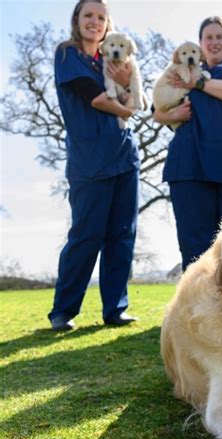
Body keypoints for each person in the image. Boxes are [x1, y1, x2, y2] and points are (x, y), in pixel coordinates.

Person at [48, 0, 140, 330]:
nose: (95, 21)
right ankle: (63, 311)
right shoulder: (67, 54)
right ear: (77, 19)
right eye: (88, 15)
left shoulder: (114, 59)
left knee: (123, 234)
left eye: (101, 17)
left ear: (107, 24)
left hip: (125, 157)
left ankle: (115, 309)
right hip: (90, 160)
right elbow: (98, 98)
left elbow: (132, 94)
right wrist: (127, 106)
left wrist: (128, 85)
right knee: (86, 235)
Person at [153, 17, 222, 270]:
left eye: (219, 37)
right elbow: (157, 109)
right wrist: (169, 116)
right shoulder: (180, 72)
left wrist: (197, 83)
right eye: (208, 37)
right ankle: (198, 306)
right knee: (195, 247)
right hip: (189, 167)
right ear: (200, 44)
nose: (214, 42)